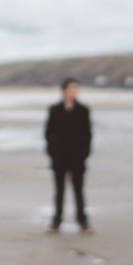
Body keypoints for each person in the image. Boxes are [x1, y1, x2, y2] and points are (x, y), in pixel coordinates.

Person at [44, 77, 92, 233]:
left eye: (76, 89)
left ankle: (83, 222)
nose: (74, 92)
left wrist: (83, 153)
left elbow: (88, 135)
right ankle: (56, 221)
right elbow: (48, 133)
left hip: (77, 159)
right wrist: (53, 153)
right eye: (71, 89)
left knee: (78, 191)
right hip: (59, 158)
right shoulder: (55, 110)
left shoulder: (83, 110)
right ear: (64, 90)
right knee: (59, 192)